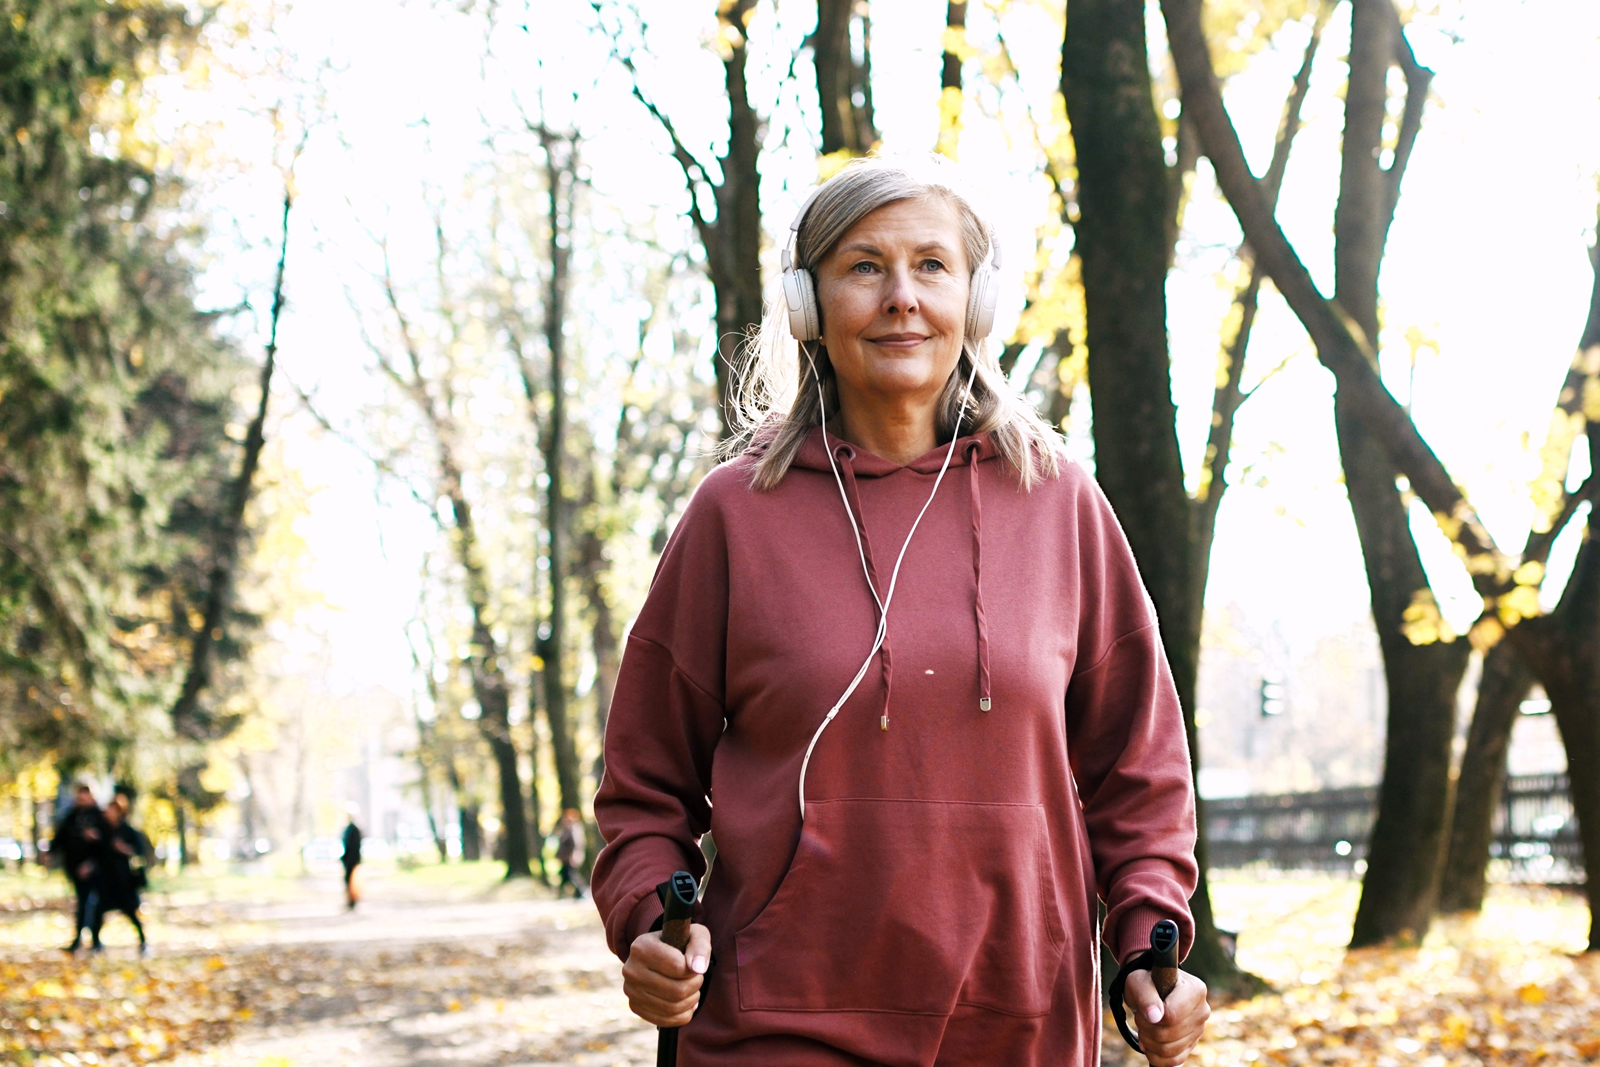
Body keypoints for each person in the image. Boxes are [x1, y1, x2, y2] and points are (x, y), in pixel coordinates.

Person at [591, 155, 1209, 1067]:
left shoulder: (1060, 504)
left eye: (931, 265)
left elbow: (1138, 766)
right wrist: (651, 917)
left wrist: (1149, 938)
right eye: (863, 267)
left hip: (1021, 1023)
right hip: (778, 1021)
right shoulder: (733, 515)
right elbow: (643, 785)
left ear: (977, 299)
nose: (900, 297)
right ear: (808, 304)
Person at [51, 784, 110, 954]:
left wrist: (92, 862)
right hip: (75, 868)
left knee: (94, 905)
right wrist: (50, 851)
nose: (81, 800)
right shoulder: (72, 816)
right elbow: (61, 837)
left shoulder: (100, 817)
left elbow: (107, 845)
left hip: (96, 870)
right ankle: (78, 940)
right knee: (82, 904)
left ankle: (95, 940)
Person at [88, 798, 151, 955]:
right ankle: (96, 944)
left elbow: (139, 851)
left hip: (124, 880)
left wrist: (124, 849)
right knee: (99, 912)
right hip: (105, 879)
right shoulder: (102, 831)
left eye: (111, 810)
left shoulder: (128, 831)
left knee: (131, 913)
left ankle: (143, 943)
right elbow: (97, 853)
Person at [554, 809, 588, 899]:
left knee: (572, 876)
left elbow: (575, 844)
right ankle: (564, 894)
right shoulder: (566, 830)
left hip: (571, 858)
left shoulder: (573, 830)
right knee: (565, 875)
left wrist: (572, 856)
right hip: (566, 858)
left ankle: (582, 892)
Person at [341, 811, 363, 910]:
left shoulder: (354, 830)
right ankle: (349, 900)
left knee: (352, 882)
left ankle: (352, 901)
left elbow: (355, 846)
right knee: (347, 881)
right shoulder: (348, 829)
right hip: (348, 860)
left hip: (353, 861)